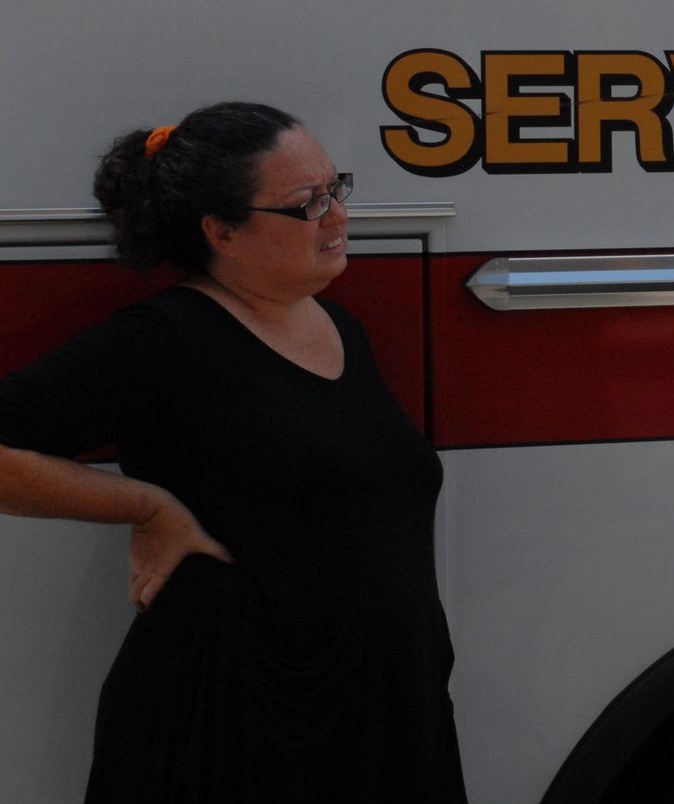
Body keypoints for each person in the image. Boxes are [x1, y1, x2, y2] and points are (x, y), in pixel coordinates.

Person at [0, 102, 467, 803]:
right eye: (306, 204)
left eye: (336, 187)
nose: (338, 216)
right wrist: (146, 506)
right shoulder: (165, 340)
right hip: (237, 735)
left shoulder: (340, 325)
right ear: (222, 231)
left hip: (382, 726)